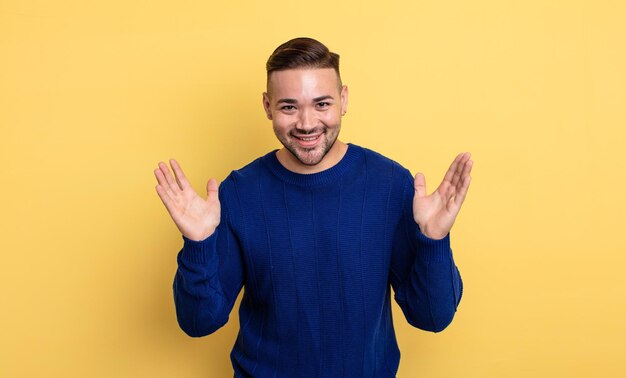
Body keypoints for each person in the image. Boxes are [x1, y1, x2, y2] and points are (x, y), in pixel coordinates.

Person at [154, 37, 473, 378]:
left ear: (344, 99)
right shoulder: (238, 193)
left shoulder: (391, 184)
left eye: (322, 104)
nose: (307, 123)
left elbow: (432, 317)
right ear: (266, 106)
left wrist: (434, 241)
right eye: (289, 107)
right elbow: (198, 322)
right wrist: (199, 246)